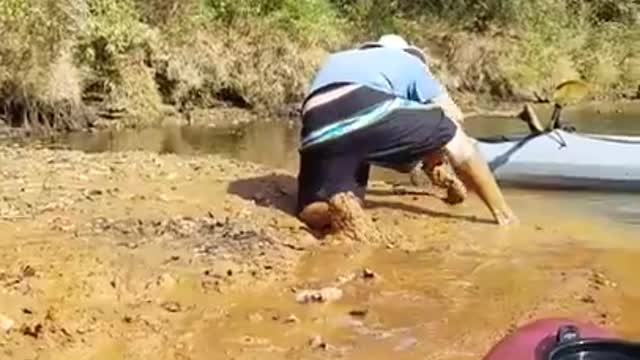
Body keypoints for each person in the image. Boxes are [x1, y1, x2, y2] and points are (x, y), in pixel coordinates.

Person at [296, 34, 518, 231]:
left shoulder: (338, 58)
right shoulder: (409, 62)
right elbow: (450, 116)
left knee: (317, 205)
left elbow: (388, 144)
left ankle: (334, 209)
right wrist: (437, 157)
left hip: (316, 121)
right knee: (455, 136)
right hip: (364, 102)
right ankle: (505, 215)